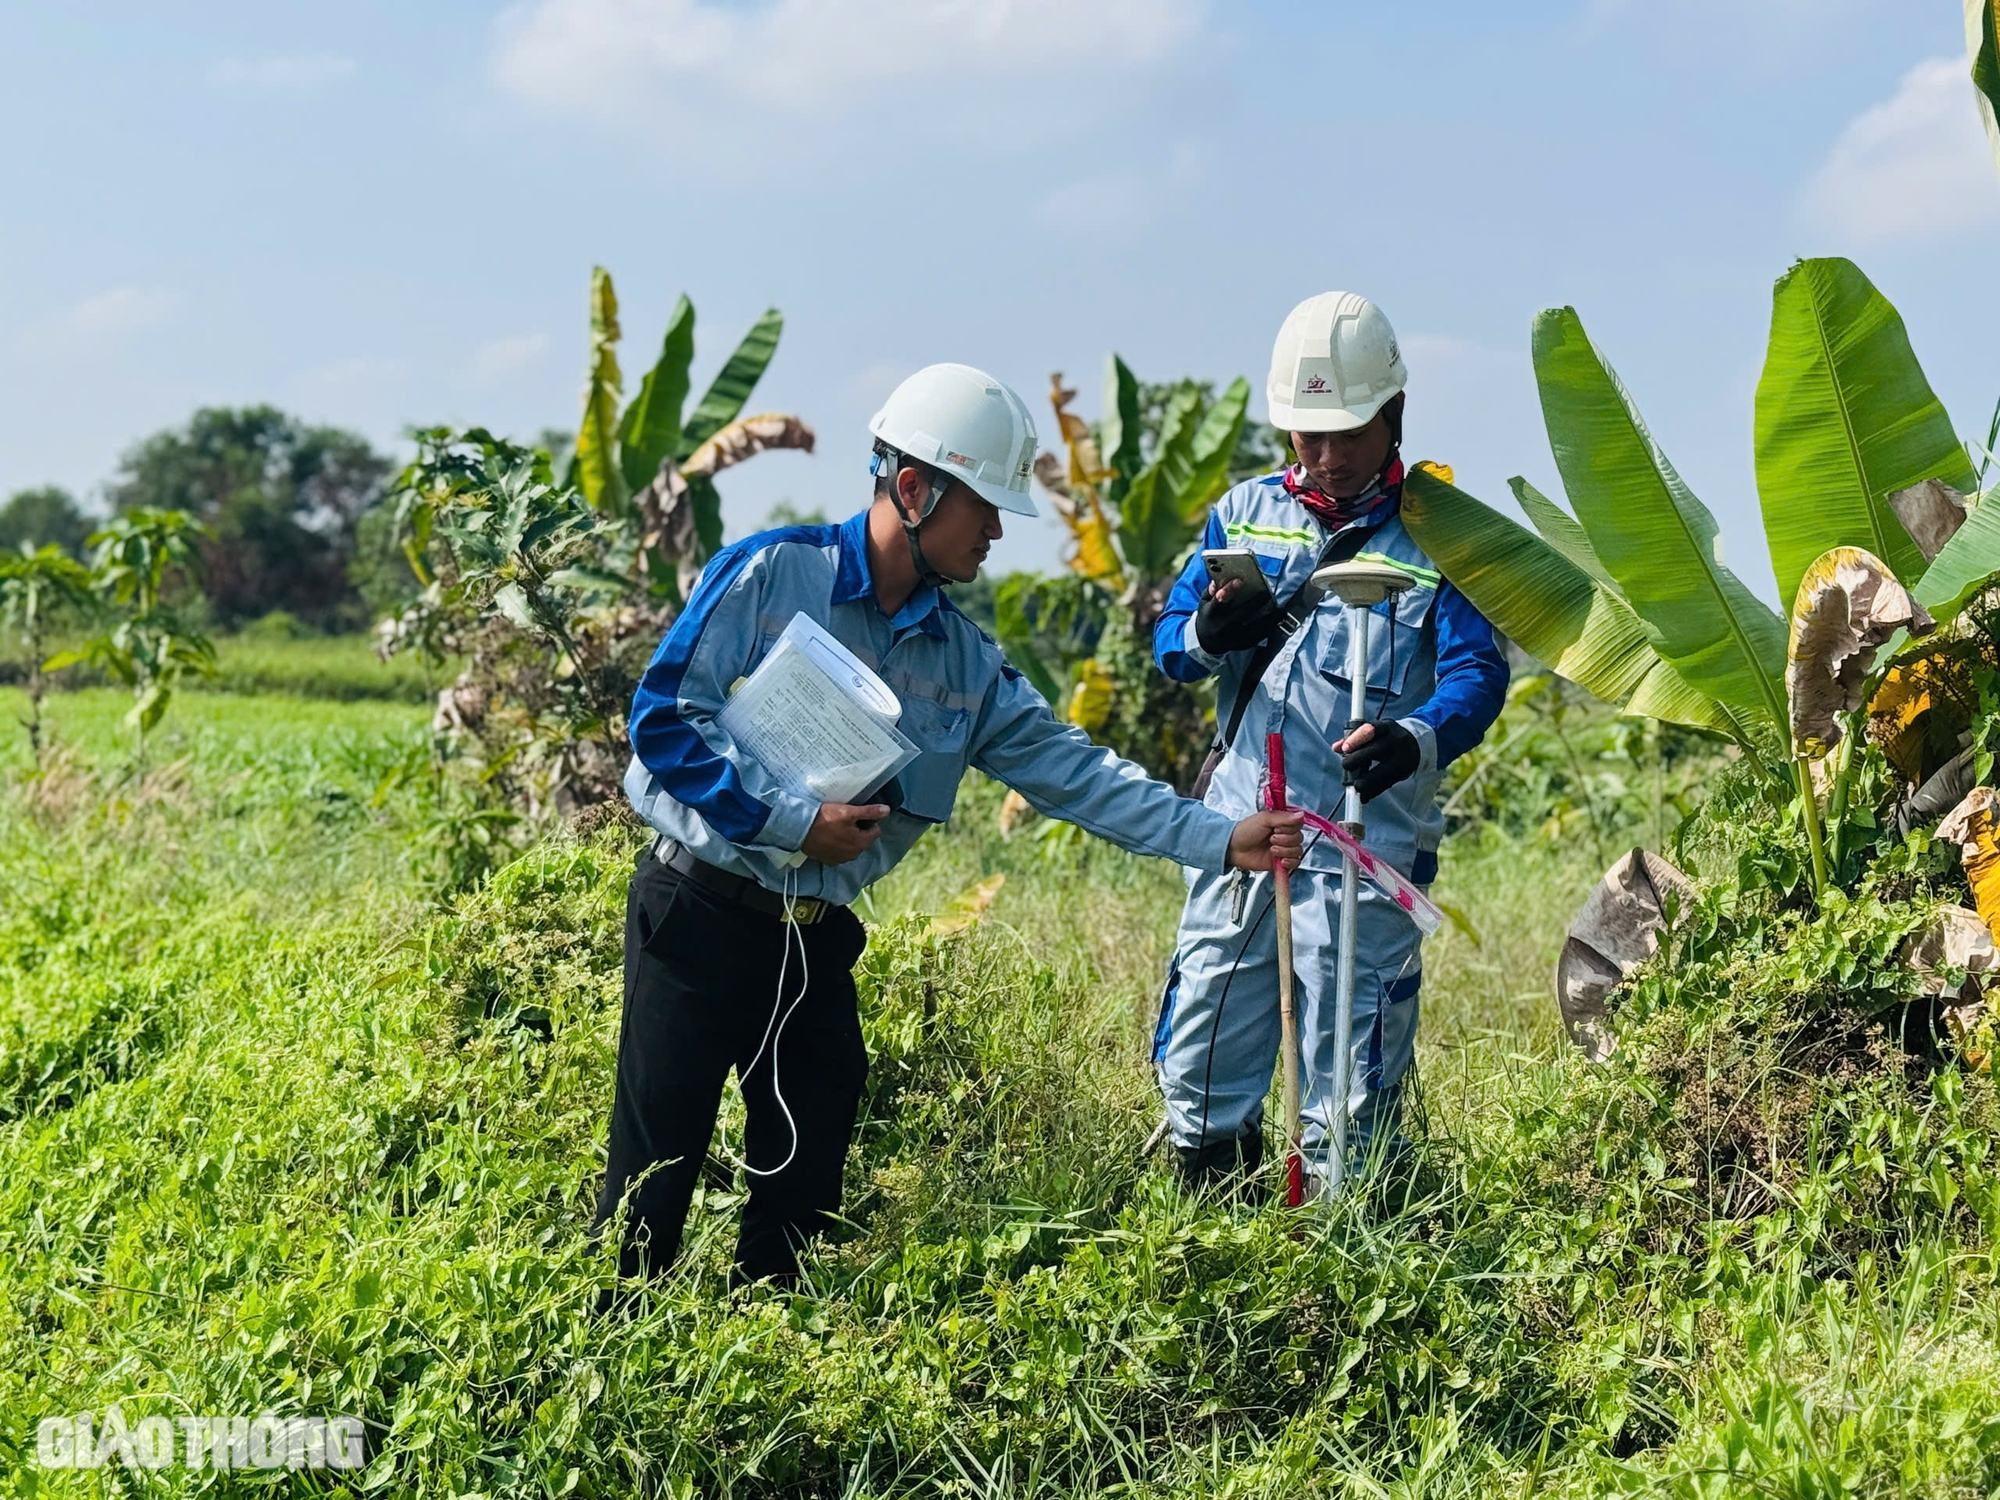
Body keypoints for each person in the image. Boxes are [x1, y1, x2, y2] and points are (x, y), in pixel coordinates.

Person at [599, 362, 1304, 1289]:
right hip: (695, 915)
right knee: (651, 1186)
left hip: (811, 945)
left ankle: (765, 1355)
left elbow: (1077, 774)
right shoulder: (774, 574)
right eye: (986, 506)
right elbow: (661, 718)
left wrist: (1219, 837)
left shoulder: (967, 664)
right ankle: (616, 1351)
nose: (998, 531)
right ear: (914, 489)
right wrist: (790, 820)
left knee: (804, 1184)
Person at [1150, 292, 1509, 1188]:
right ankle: (1208, 1221)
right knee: (1205, 1033)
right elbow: (1171, 641)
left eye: (1346, 432)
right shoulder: (1241, 513)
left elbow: (1477, 674)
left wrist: (1415, 737)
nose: (1326, 455)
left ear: (1393, 414)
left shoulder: (1444, 533)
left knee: (1350, 1067)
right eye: (1306, 434)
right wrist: (1206, 638)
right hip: (1239, 834)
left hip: (1363, 844)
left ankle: (1343, 1243)